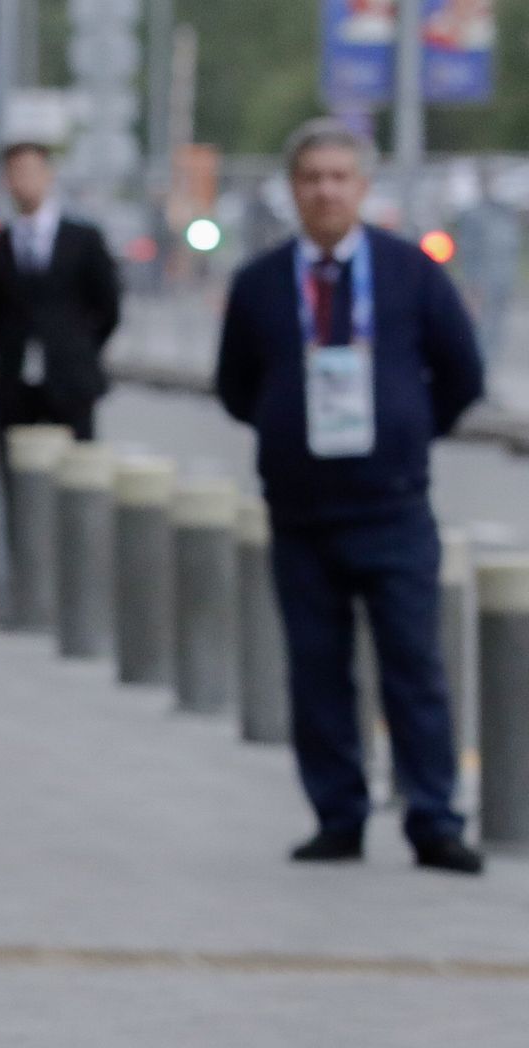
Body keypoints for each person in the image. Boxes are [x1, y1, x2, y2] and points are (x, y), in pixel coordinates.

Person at [216, 117, 485, 874]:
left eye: (340, 177)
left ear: (363, 188)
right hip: (302, 511)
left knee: (414, 665)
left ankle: (433, 817)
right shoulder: (261, 283)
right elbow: (237, 386)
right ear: (293, 189)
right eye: (312, 178)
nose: (326, 190)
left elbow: (461, 372)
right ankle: (338, 813)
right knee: (316, 669)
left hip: (393, 505)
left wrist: (407, 431)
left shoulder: (409, 272)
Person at [0, 142, 121, 447]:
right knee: (17, 470)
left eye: (30, 171)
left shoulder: (83, 240)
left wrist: (78, 347)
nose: (23, 180)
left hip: (71, 381)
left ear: (48, 175)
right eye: (15, 172)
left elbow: (108, 307)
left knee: (75, 473)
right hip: (15, 383)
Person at [454, 158, 520, 379]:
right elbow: (468, 252)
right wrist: (472, 285)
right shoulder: (474, 216)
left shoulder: (505, 214)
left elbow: (511, 249)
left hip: (502, 280)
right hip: (483, 284)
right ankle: (479, 382)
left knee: (497, 335)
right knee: (482, 334)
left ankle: (490, 381)